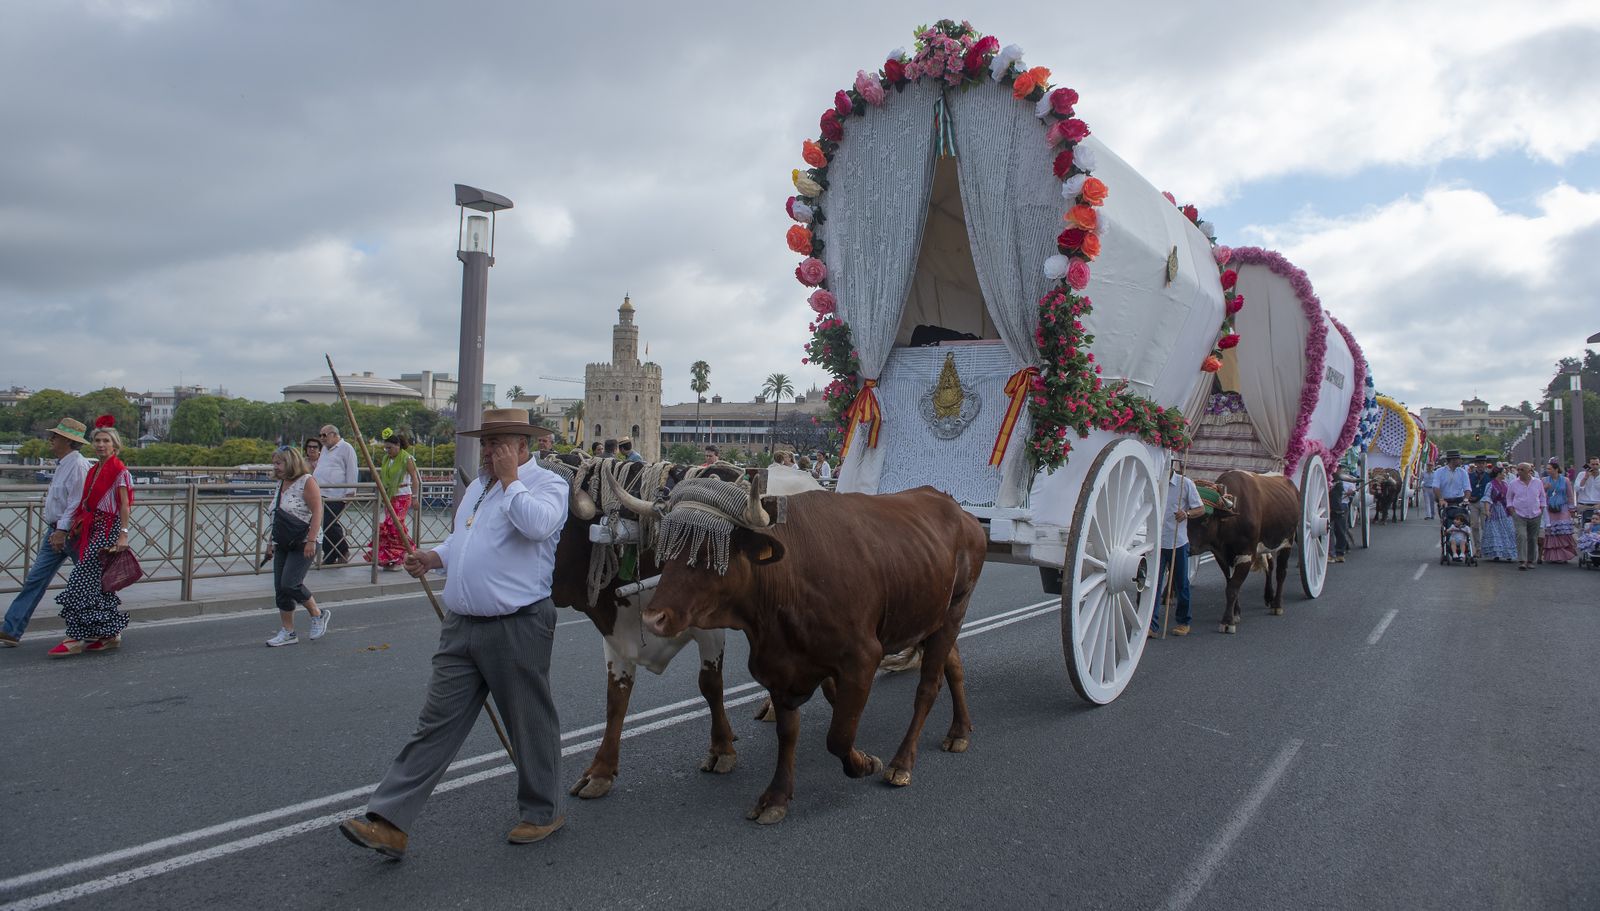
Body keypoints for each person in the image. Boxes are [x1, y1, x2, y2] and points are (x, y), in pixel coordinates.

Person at [338, 409, 568, 858]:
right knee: (434, 724)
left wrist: (510, 480)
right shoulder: (478, 488)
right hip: (461, 625)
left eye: (497, 442)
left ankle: (544, 810)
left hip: (517, 624)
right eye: (485, 443)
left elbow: (538, 526)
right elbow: (466, 540)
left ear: (522, 445)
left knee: (529, 723)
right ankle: (389, 822)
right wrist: (434, 557)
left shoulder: (547, 485)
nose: (487, 451)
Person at [1, 418, 91, 647]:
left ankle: (103, 627)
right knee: (35, 579)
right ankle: (10, 630)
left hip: (71, 533)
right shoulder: (62, 464)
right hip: (55, 531)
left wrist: (62, 530)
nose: (51, 439)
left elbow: (76, 503)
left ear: (68, 441)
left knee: (90, 581)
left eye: (56, 436)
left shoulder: (79, 466)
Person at [49, 418, 134, 657]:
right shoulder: (94, 468)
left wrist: (123, 535)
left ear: (114, 445)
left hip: (108, 529)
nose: (100, 444)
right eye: (97, 440)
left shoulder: (119, 471)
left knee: (79, 580)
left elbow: (125, 505)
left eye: (106, 441)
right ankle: (109, 633)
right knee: (98, 584)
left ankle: (74, 637)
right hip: (92, 527)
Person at [265, 447, 331, 647]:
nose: (275, 467)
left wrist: (311, 540)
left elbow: (318, 511)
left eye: (279, 463)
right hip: (283, 540)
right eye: (274, 463)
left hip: (304, 541)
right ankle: (288, 631)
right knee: (280, 588)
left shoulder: (307, 481)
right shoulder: (281, 483)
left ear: (291, 462)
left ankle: (317, 614)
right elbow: (277, 516)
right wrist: (270, 541)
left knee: (290, 583)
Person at [1150, 460, 1205, 638]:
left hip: (1177, 542)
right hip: (1157, 542)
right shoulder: (1153, 482)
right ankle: (1151, 624)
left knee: (1181, 584)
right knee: (1154, 585)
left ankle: (1184, 621)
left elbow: (1201, 508)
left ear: (1172, 466)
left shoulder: (1185, 484)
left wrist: (1186, 513)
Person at [370, 431, 422, 570]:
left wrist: (416, 498)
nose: (388, 451)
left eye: (390, 448)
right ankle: (391, 557)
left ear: (398, 445)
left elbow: (415, 479)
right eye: (386, 448)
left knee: (395, 524)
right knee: (389, 527)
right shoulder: (387, 459)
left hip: (403, 495)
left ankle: (406, 552)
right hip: (390, 495)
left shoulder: (407, 458)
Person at [315, 425, 358, 564]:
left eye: (324, 435)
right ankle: (330, 553)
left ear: (334, 434)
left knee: (329, 522)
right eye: (320, 435)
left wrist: (350, 491)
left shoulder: (346, 448)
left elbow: (352, 469)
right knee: (321, 524)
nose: (321, 438)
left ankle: (343, 549)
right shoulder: (325, 449)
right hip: (320, 492)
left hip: (337, 493)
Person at [1504, 462, 1546, 571]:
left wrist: (1541, 508)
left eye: (1522, 470)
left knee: (1532, 538)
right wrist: (1512, 510)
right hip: (1519, 514)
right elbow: (1509, 498)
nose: (1519, 472)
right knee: (1521, 536)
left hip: (1535, 514)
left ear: (1529, 471)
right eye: (1518, 469)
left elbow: (1542, 496)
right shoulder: (1513, 483)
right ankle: (1522, 561)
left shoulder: (1537, 482)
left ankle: (1531, 560)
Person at [1540, 459, 1577, 564]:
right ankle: (1553, 556)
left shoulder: (1565, 480)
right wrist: (1544, 488)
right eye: (1547, 469)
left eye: (1549, 469)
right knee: (1551, 531)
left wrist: (1572, 509)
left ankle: (1564, 555)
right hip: (1549, 508)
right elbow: (1538, 494)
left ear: (1556, 469)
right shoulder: (1544, 480)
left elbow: (1570, 495)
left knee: (1562, 530)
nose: (1547, 470)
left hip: (1563, 508)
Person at [1480, 466, 1519, 562]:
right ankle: (1496, 552)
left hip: (1505, 510)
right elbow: (1487, 498)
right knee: (1495, 530)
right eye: (1503, 472)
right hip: (1495, 509)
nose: (1505, 474)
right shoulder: (1491, 484)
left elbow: (1510, 497)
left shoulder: (1506, 484)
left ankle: (1509, 553)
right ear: (1498, 474)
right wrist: (1487, 510)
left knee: (1508, 529)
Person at [1467, 456, 1491, 556]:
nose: (1481, 465)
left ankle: (1486, 546)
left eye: (1482, 463)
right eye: (1479, 463)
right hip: (1474, 502)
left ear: (1485, 464)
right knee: (1474, 525)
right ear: (1476, 464)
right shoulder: (1470, 475)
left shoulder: (1489, 476)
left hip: (1485, 503)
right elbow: (1466, 487)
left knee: (1485, 526)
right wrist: (1469, 497)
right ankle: (1478, 548)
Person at [1328, 470, 1352, 563]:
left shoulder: (1340, 482)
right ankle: (1331, 553)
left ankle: (1340, 553)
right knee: (1329, 532)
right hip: (1328, 507)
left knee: (1340, 531)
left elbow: (1351, 491)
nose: (1339, 469)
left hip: (1339, 507)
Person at [1574, 455, 1600, 524]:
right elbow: (1577, 489)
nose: (1595, 466)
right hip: (1584, 505)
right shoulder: (1581, 475)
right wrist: (1585, 478)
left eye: (1597, 464)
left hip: (1598, 505)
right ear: (1588, 465)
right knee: (1584, 526)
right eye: (1593, 464)